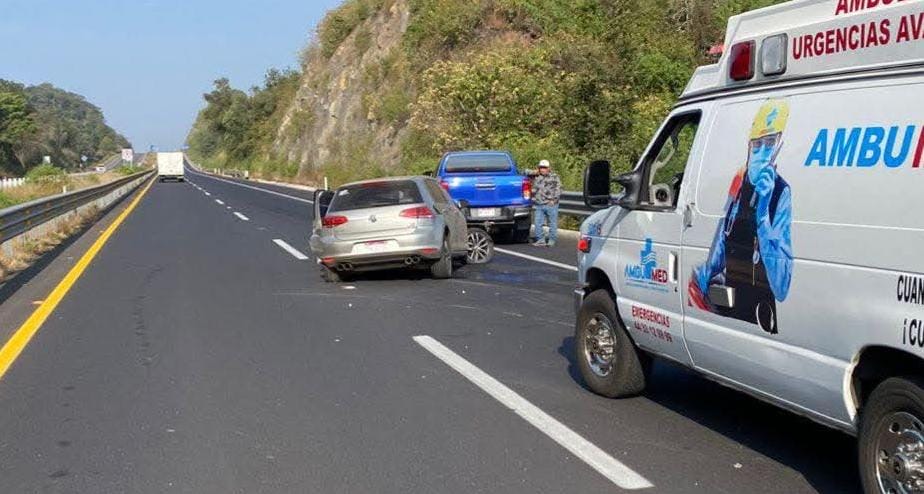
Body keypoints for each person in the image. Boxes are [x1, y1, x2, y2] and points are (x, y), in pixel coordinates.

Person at [688, 99, 794, 334]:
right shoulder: (739, 183)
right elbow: (718, 251)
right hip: (729, 315)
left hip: (761, 321)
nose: (761, 151)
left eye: (769, 143)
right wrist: (698, 282)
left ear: (779, 145)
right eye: (756, 144)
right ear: (748, 146)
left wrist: (763, 213)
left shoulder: (781, 193)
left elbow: (782, 286)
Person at [529, 159, 562, 247]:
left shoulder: (554, 177)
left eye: (544, 167)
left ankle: (551, 240)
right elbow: (524, 172)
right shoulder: (536, 176)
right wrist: (534, 172)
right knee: (537, 223)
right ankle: (540, 240)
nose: (543, 169)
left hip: (551, 204)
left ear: (548, 168)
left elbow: (558, 189)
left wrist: (554, 200)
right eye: (541, 167)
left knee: (552, 223)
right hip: (539, 204)